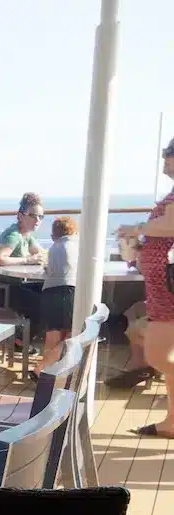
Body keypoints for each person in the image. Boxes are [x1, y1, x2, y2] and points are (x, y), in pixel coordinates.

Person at [117, 137, 174, 436]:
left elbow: (171, 224)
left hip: (169, 287)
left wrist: (138, 229)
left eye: (170, 155)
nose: (164, 159)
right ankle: (171, 422)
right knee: (161, 353)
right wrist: (141, 248)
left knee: (157, 355)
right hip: (161, 285)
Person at [0, 192, 47, 341]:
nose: (37, 220)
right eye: (33, 215)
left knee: (49, 292)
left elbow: (41, 253)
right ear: (20, 216)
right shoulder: (14, 235)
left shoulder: (26, 235)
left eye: (41, 216)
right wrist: (28, 259)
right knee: (43, 303)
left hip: (13, 287)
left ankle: (26, 338)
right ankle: (20, 340)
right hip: (0, 292)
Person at [35, 217, 79, 375]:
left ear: (54, 235)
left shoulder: (54, 248)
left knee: (52, 336)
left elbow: (50, 270)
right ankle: (42, 370)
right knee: (74, 335)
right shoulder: (78, 245)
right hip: (68, 291)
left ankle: (45, 375)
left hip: (49, 292)